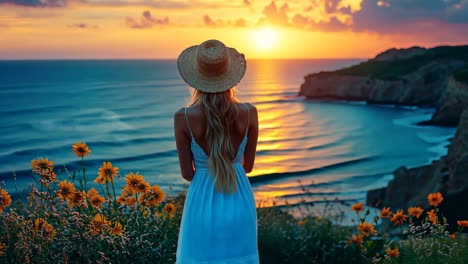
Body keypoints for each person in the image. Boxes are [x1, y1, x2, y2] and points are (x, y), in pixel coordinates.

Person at [173, 39, 259, 263]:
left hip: (201, 200)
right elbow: (247, 167)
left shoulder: (183, 117)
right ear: (229, 76)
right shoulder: (250, 113)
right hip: (239, 196)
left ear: (196, 78)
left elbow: (187, 173)